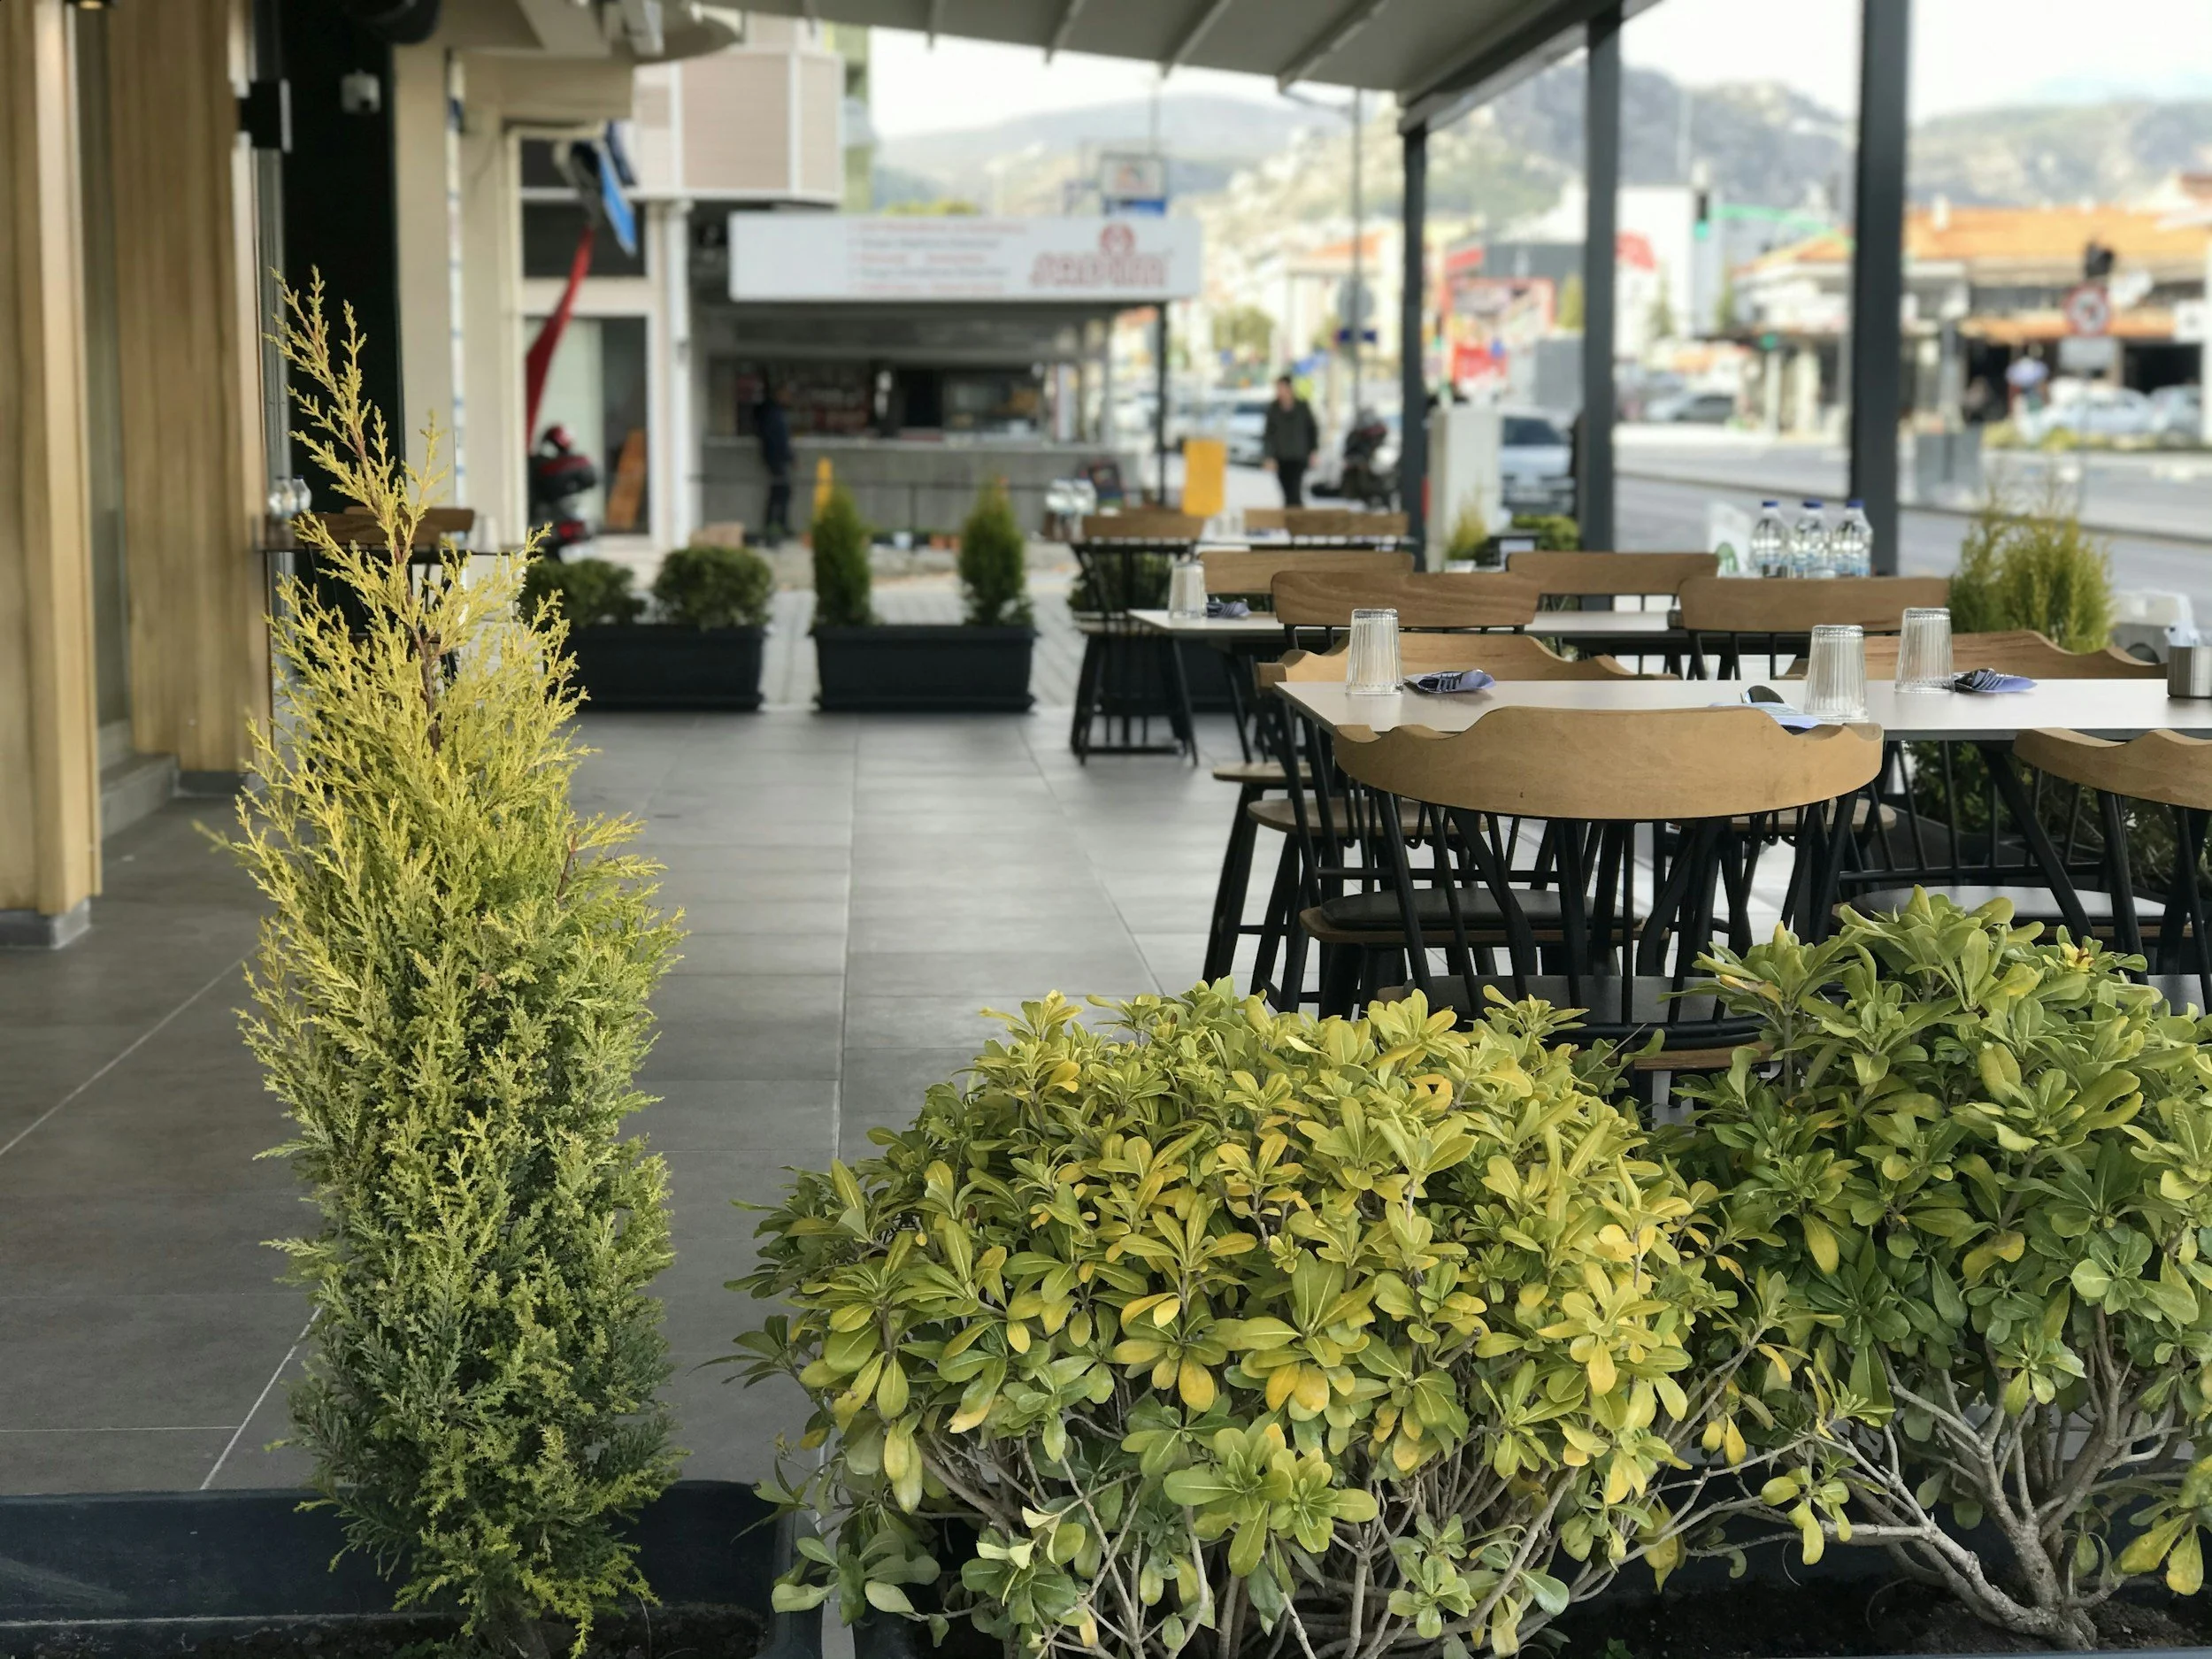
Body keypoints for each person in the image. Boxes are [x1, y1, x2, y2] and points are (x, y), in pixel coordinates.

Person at [1262, 374, 1318, 507]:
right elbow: (1268, 434)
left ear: (1289, 389)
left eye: (1282, 388)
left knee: (1295, 491)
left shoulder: (1302, 407)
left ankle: (1296, 521)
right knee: (1287, 493)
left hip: (1299, 456)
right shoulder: (1273, 409)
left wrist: (1314, 451)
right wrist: (1268, 456)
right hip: (1281, 457)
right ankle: (1292, 521)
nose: (1279, 392)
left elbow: (1312, 430)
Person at [755, 380, 794, 543]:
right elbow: (778, 439)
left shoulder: (773, 412)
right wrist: (789, 457)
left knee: (780, 492)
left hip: (775, 458)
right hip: (776, 459)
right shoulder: (774, 413)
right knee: (780, 492)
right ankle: (775, 527)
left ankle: (776, 526)